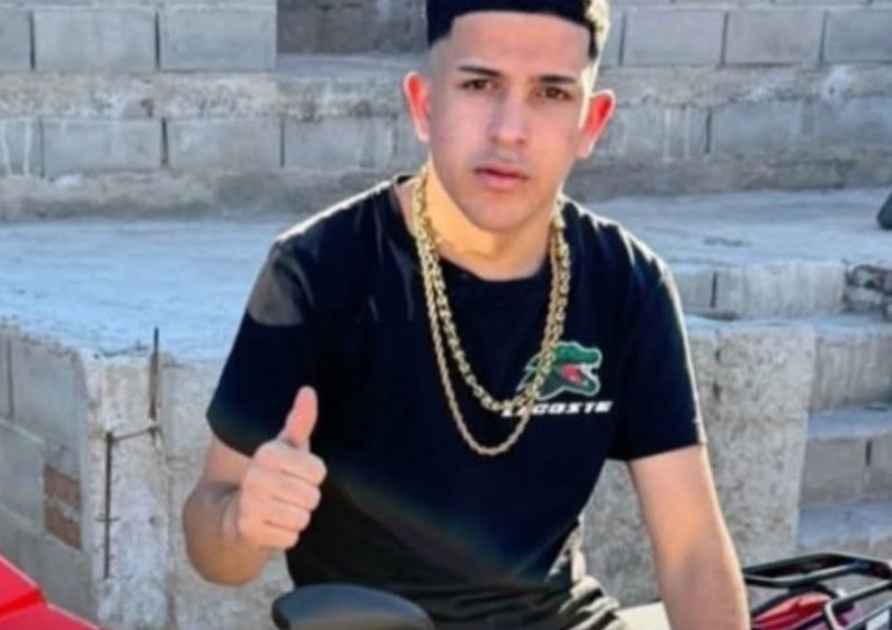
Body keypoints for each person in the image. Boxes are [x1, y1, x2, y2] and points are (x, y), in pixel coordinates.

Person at [180, 0, 750, 627]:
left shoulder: (627, 282)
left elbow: (692, 549)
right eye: (480, 85)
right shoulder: (318, 268)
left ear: (589, 123)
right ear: (425, 104)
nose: (510, 130)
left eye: (551, 94)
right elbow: (212, 545)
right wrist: (243, 522)